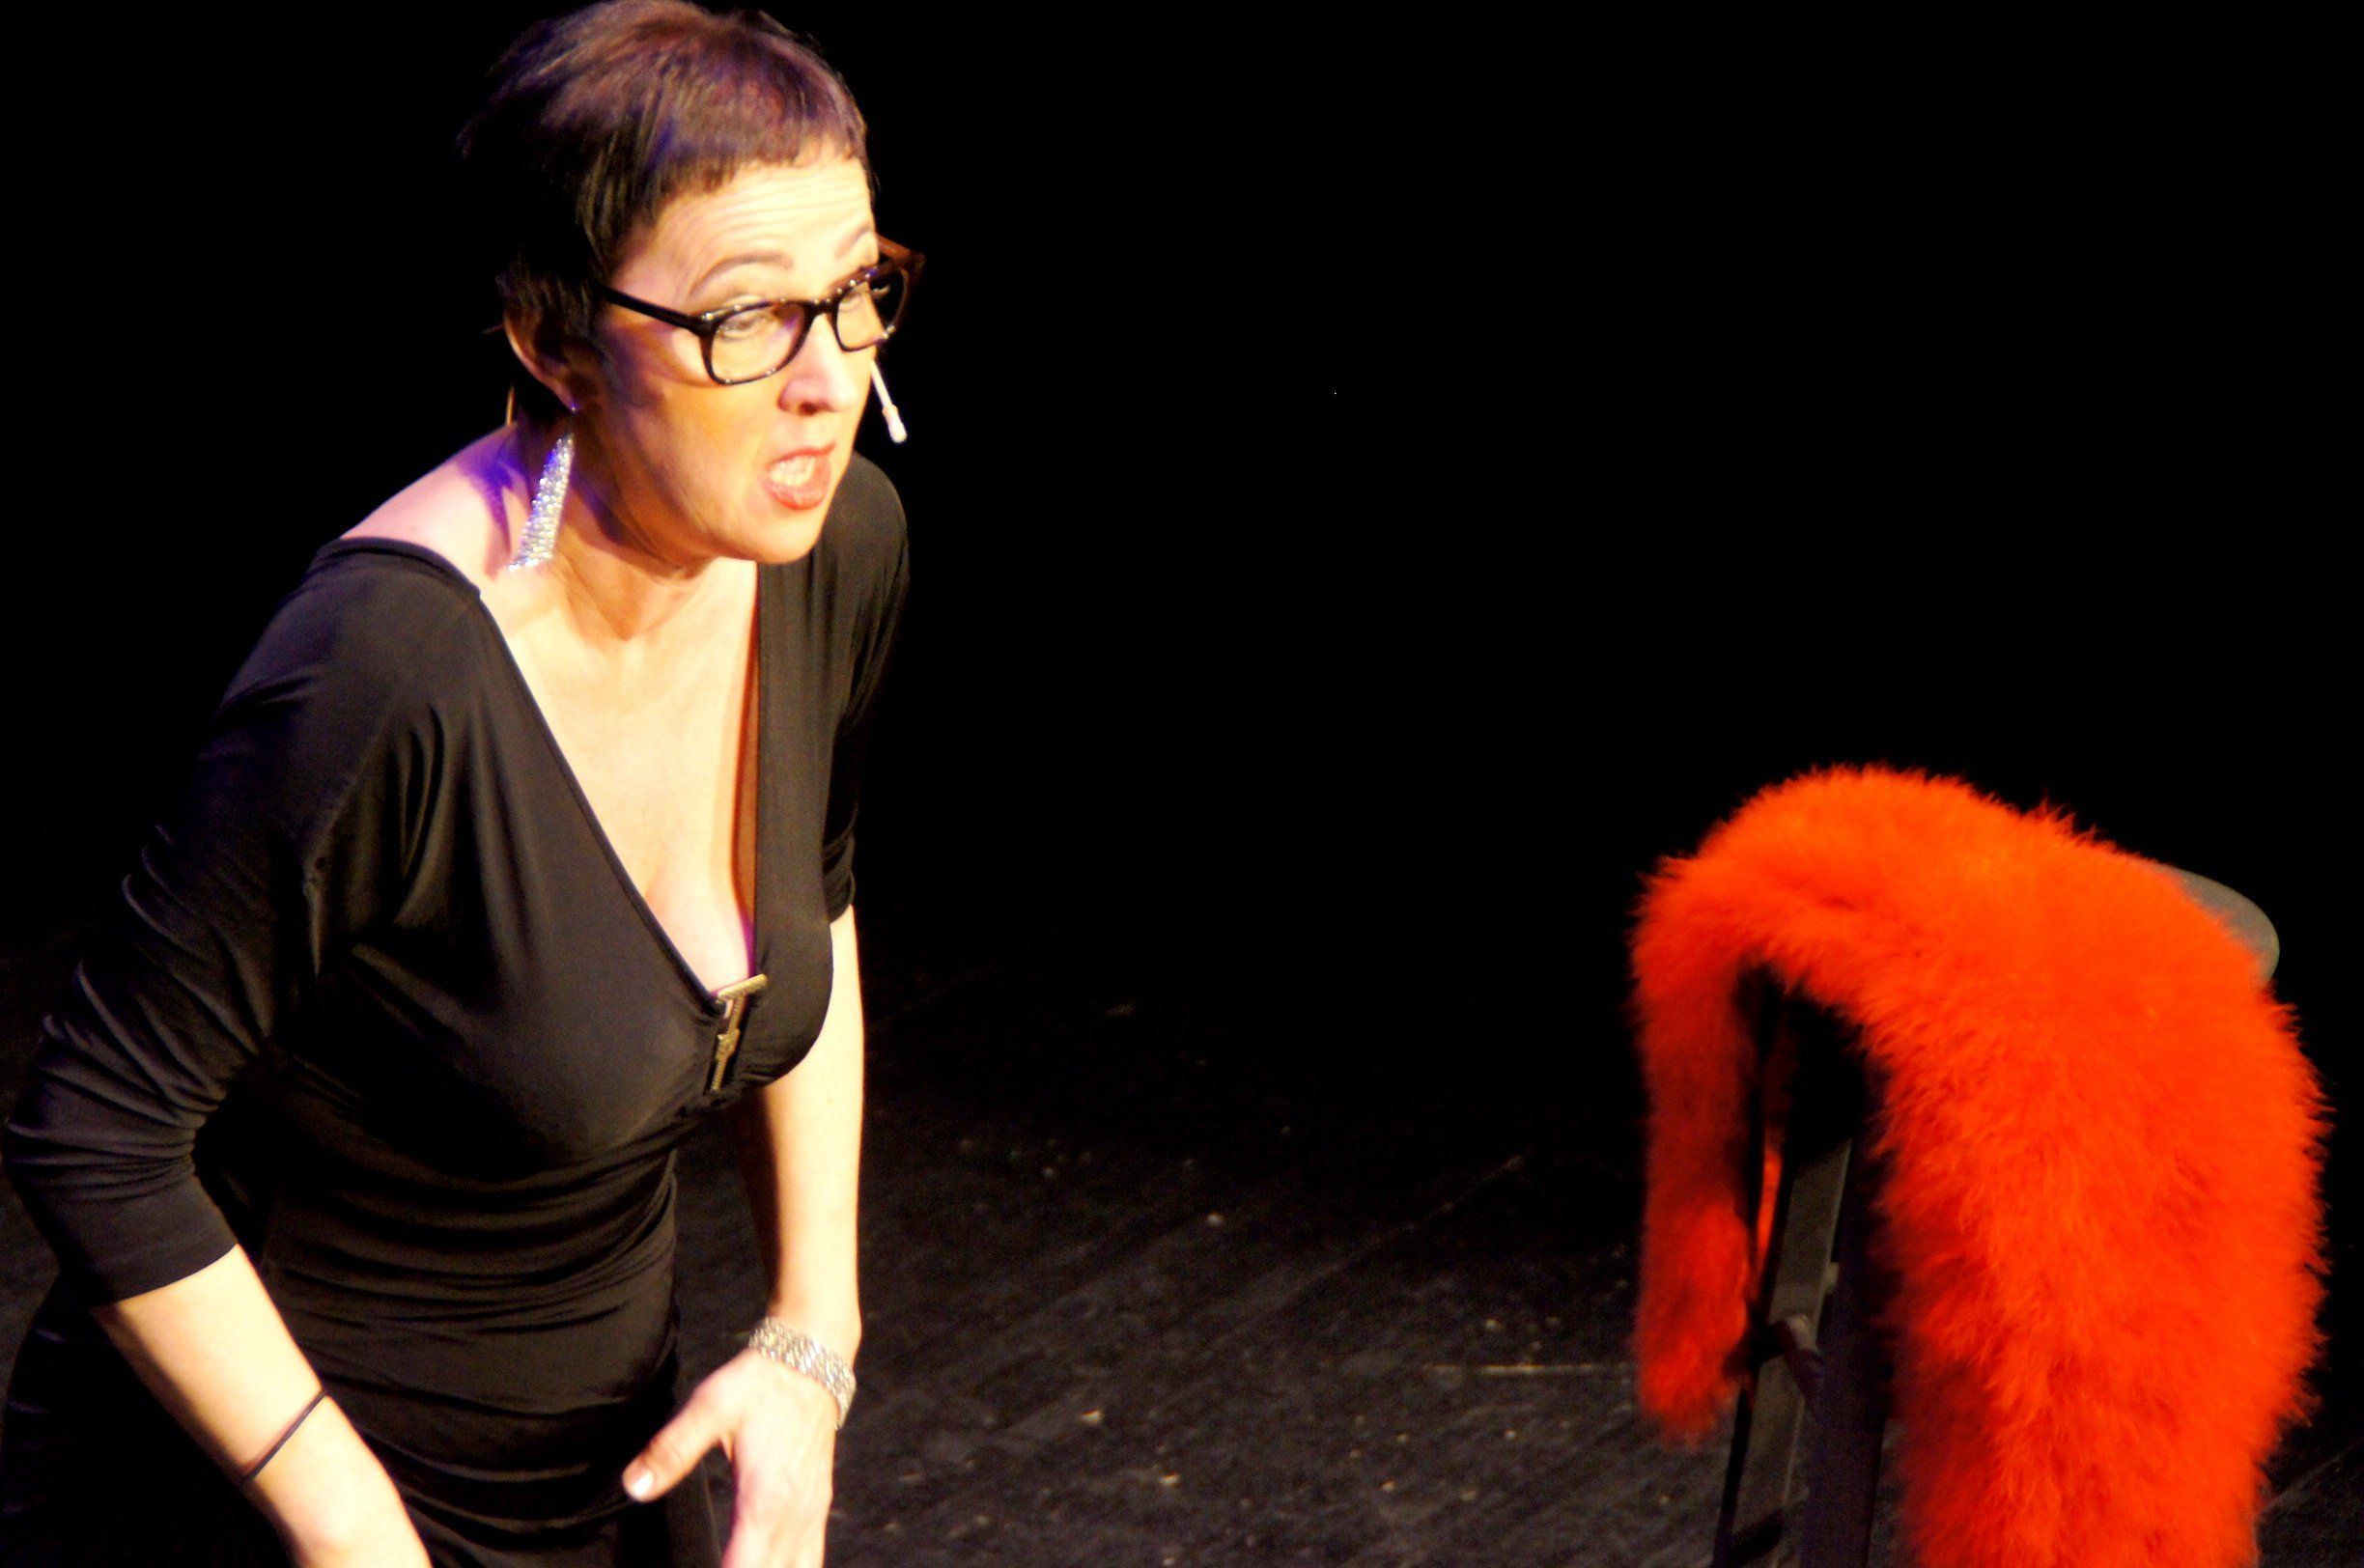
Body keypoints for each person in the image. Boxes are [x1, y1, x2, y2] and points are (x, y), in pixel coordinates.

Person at [0, 4, 916, 1563]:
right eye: (745, 318)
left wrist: (808, 1344)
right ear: (554, 343)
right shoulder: (392, 666)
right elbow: (97, 1128)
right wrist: (349, 1527)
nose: (825, 380)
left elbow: (808, 901)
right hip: (271, 1491)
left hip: (597, 1470)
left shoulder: (835, 553)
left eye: (854, 295)